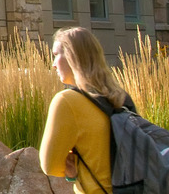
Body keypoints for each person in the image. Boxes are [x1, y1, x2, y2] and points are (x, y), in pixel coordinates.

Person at [36, 27, 128, 194]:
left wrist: (74, 166)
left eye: (56, 55)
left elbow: (49, 165)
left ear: (72, 57)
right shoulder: (120, 98)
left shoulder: (66, 101)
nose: (53, 64)